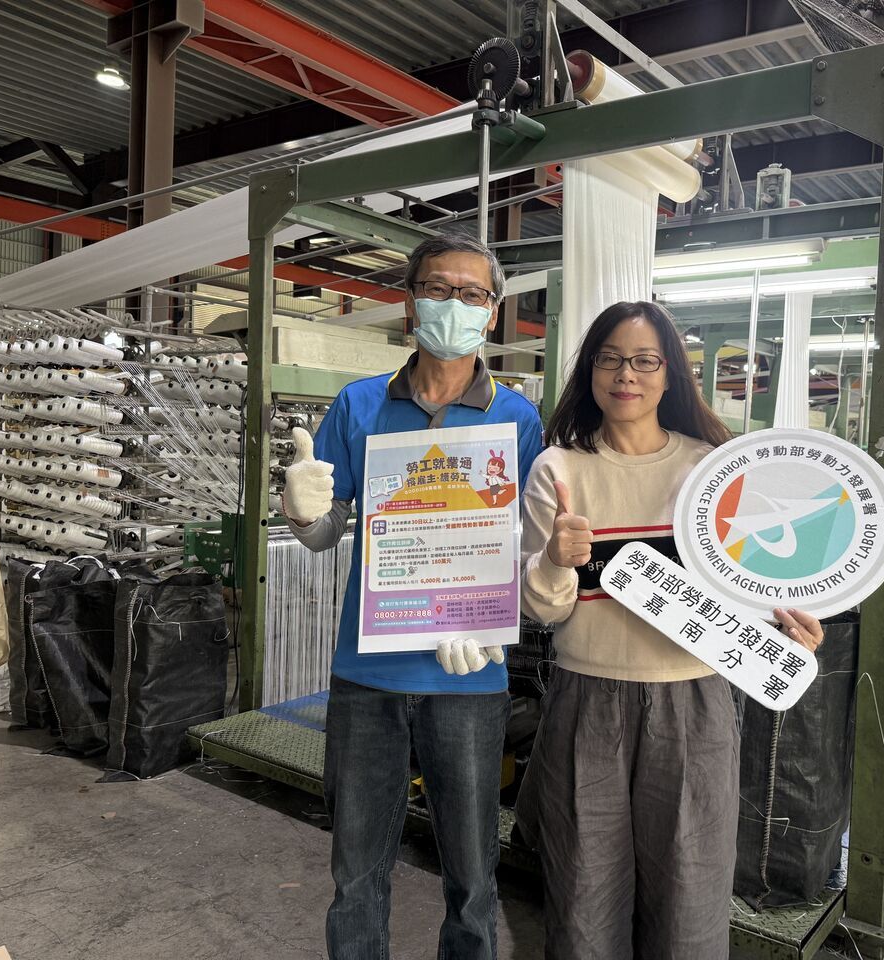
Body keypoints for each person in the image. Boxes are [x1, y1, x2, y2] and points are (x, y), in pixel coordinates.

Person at [516, 300, 824, 960]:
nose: (626, 374)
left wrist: (787, 630)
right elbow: (544, 611)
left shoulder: (712, 468)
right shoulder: (558, 470)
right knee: (582, 906)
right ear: (590, 371)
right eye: (610, 359)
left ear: (670, 375)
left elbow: (754, 589)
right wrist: (554, 560)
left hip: (696, 703)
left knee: (689, 906)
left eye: (644, 361)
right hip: (586, 701)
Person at [282, 234, 543, 960]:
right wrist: (300, 512)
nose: (453, 304)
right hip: (368, 674)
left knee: (473, 878)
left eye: (471, 293)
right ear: (410, 302)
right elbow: (325, 530)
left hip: (470, 677)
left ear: (491, 312)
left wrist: (502, 618)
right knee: (356, 873)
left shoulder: (517, 419)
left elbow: (527, 545)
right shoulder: (359, 404)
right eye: (437, 288)